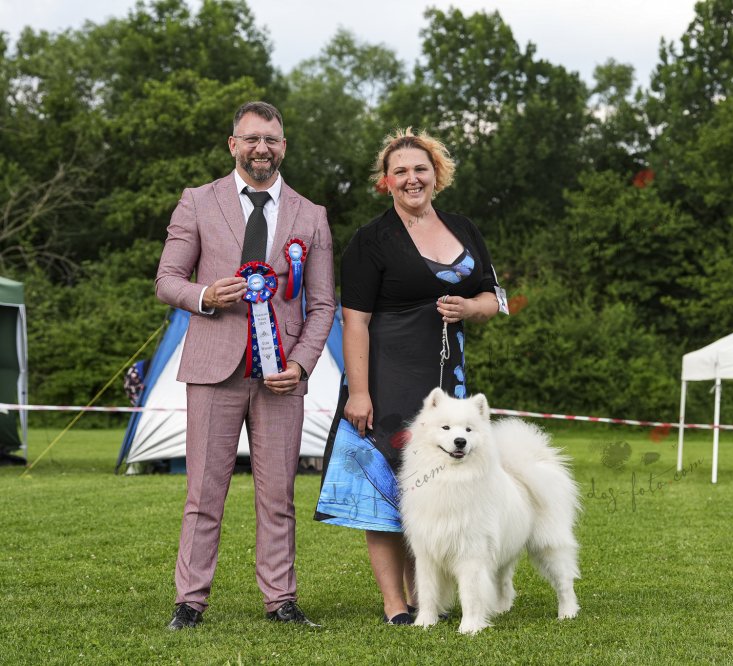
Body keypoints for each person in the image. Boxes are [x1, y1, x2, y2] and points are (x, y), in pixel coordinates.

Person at [155, 101, 335, 630]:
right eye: (252, 138)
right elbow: (167, 280)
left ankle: (281, 600)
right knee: (203, 494)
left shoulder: (312, 214)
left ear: (284, 147)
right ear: (233, 144)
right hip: (213, 369)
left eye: (271, 139)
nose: (262, 148)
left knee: (279, 496)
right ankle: (190, 602)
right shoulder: (197, 201)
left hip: (282, 377)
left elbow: (323, 304)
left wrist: (302, 365)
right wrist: (205, 295)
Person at [314, 128, 503, 625]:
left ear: (436, 174)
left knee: (437, 490)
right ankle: (394, 603)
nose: (411, 178)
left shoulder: (465, 228)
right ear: (386, 181)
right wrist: (359, 392)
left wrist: (470, 307)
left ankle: (426, 598)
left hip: (447, 384)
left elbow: (493, 297)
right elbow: (354, 320)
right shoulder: (370, 240)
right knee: (385, 488)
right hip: (386, 377)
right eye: (400, 171)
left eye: (420, 168)